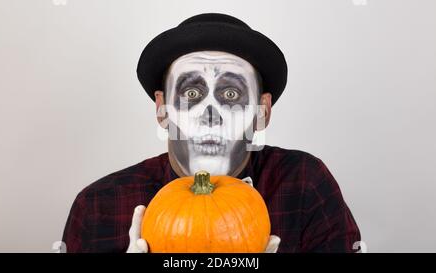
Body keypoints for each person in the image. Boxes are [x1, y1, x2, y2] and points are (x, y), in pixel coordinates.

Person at [62, 13, 361, 253]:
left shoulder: (305, 186)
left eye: (231, 94)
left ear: (262, 112)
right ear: (162, 110)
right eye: (191, 92)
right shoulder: (99, 206)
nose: (210, 115)